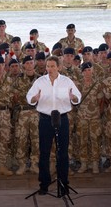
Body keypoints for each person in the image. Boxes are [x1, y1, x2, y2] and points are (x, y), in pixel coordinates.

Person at [26, 56, 81, 195]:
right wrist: (34, 99)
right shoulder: (40, 81)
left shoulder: (66, 81)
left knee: (62, 153)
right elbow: (29, 97)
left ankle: (63, 184)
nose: (49, 69)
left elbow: (77, 97)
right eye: (48, 66)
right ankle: (44, 184)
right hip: (45, 120)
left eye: (52, 66)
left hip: (62, 119)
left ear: (59, 67)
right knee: (44, 153)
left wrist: (73, 98)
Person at [12, 55, 41, 175]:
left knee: (36, 139)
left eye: (31, 62)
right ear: (23, 65)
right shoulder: (18, 79)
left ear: (34, 64)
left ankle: (34, 164)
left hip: (37, 112)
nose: (29, 65)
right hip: (23, 112)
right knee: (21, 139)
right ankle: (22, 164)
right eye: (27, 63)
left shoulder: (41, 79)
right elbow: (15, 97)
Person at [76, 62, 103, 174]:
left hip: (95, 117)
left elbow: (101, 101)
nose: (87, 72)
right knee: (82, 140)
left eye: (89, 70)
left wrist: (99, 114)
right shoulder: (79, 84)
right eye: (85, 70)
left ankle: (95, 163)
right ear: (82, 72)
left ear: (93, 71)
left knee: (95, 140)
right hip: (82, 117)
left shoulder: (97, 84)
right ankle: (84, 163)